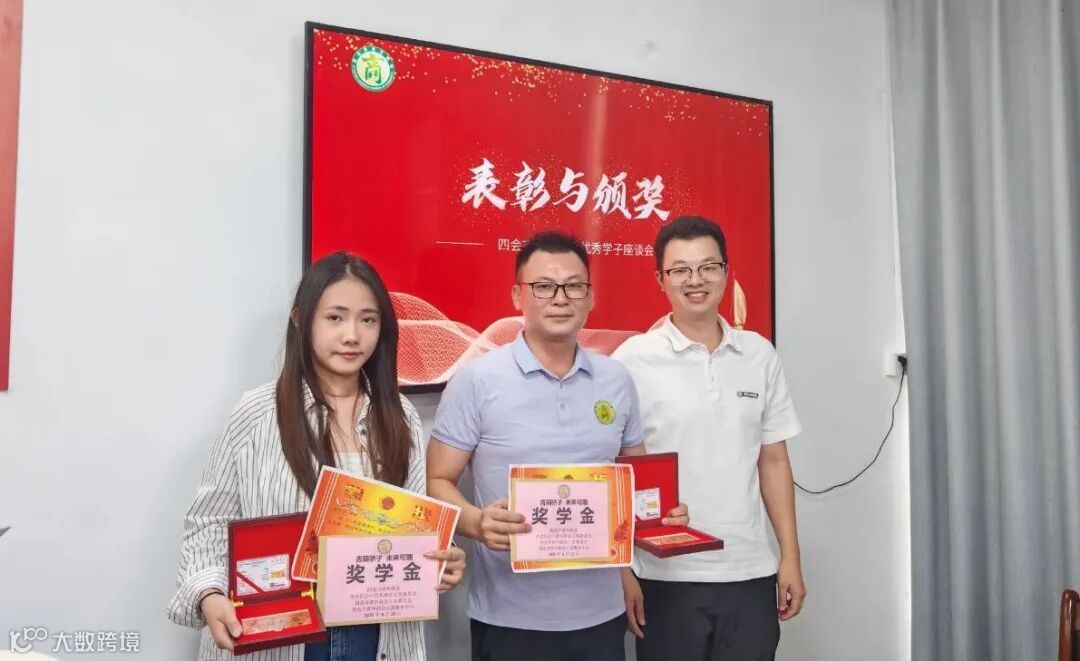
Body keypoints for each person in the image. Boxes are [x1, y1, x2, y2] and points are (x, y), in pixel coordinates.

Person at [166, 251, 466, 661]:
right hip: (281, 638)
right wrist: (210, 594)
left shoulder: (401, 417)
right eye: (335, 318)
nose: (352, 335)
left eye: (368, 319)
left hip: (376, 636)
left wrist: (441, 558)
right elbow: (208, 523)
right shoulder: (257, 414)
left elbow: (415, 527)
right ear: (300, 320)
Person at [426, 231, 688, 661]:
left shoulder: (616, 379)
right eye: (544, 287)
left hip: (600, 613)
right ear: (518, 296)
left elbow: (638, 486)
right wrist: (477, 522)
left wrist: (662, 518)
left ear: (591, 297)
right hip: (509, 618)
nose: (561, 299)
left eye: (574, 286)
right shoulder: (476, 380)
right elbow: (437, 480)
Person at [613, 215, 806, 661]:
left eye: (708, 267)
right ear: (660, 279)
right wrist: (621, 570)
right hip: (665, 575)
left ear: (726, 272)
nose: (695, 280)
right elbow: (614, 468)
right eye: (680, 270)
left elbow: (774, 460)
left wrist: (790, 557)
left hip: (750, 570)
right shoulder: (631, 361)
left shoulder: (758, 354)